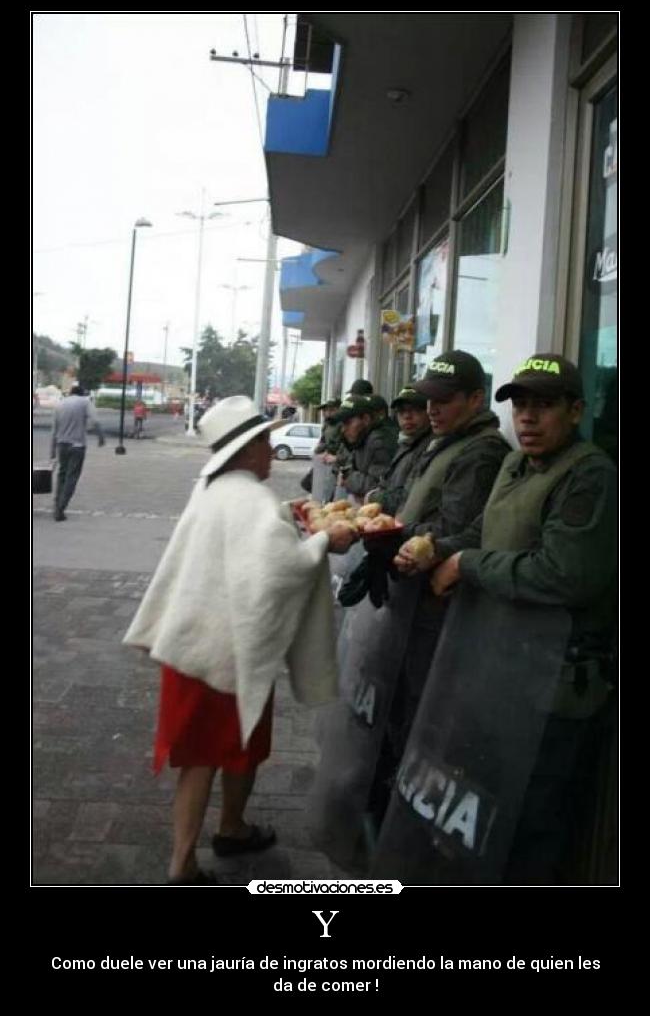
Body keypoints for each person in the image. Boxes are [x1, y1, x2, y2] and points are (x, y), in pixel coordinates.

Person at [395, 353, 617, 884]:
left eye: (544, 406)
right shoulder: (518, 463)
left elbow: (563, 574)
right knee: (487, 811)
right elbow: (483, 534)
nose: (528, 419)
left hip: (556, 687)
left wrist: (465, 565)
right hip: (499, 669)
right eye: (521, 406)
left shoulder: (591, 475)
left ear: (577, 410)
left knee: (532, 828)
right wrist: (433, 550)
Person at [123, 395, 358, 885]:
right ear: (247, 449)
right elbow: (279, 571)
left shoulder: (214, 487)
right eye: (266, 443)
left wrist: (291, 516)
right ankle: (182, 863)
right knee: (212, 754)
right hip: (228, 652)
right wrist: (324, 541)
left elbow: (250, 545)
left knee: (229, 747)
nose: (272, 451)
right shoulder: (251, 499)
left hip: (191, 643)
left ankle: (232, 828)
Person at [307, 352, 510, 870]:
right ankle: (382, 829)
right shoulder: (443, 443)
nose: (432, 409)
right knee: (391, 716)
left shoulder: (481, 451)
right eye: (430, 399)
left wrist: (419, 544)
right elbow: (409, 503)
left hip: (433, 614)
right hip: (403, 602)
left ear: (474, 400)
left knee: (417, 724)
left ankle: (406, 845)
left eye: (445, 401)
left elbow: (463, 529)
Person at [365, 387, 432, 515]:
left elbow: (409, 498)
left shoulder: (429, 448)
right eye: (401, 411)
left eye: (415, 410)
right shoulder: (405, 443)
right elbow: (387, 482)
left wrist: (373, 497)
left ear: (428, 411)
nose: (407, 416)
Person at [50, 385, 105, 522]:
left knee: (61, 475)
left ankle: (57, 505)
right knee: (71, 477)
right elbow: (96, 421)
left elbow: (54, 430)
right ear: (82, 394)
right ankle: (60, 509)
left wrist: (52, 451)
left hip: (61, 445)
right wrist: (101, 437)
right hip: (77, 446)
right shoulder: (85, 402)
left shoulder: (59, 404)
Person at [334, 394, 399, 504]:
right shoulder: (361, 438)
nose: (344, 429)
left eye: (348, 423)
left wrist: (347, 478)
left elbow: (379, 485)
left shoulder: (378, 441)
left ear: (366, 419)